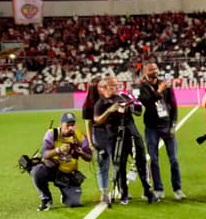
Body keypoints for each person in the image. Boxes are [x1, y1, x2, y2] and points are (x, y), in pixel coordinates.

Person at [93, 78, 158, 206]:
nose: (115, 88)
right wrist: (110, 110)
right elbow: (97, 120)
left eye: (116, 85)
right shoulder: (100, 103)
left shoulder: (123, 96)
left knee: (141, 162)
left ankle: (147, 190)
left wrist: (130, 106)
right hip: (115, 137)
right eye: (112, 86)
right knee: (119, 165)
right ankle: (124, 193)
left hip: (132, 134)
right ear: (104, 88)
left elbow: (138, 111)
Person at [139, 62, 184, 201]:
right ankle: (158, 189)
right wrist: (159, 91)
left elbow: (173, 104)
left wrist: (173, 124)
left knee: (174, 159)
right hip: (151, 127)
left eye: (156, 68)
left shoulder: (166, 85)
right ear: (145, 72)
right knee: (154, 159)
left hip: (166, 125)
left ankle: (177, 189)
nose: (155, 71)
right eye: (151, 69)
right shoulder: (143, 87)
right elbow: (147, 103)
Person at [32, 111, 94, 210]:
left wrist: (82, 153)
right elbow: (44, 153)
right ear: (61, 124)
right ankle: (46, 199)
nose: (70, 128)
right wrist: (58, 150)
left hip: (68, 174)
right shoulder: (52, 133)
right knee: (37, 171)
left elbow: (89, 157)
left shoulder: (80, 136)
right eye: (67, 125)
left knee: (74, 202)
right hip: (52, 170)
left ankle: (66, 195)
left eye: (73, 125)